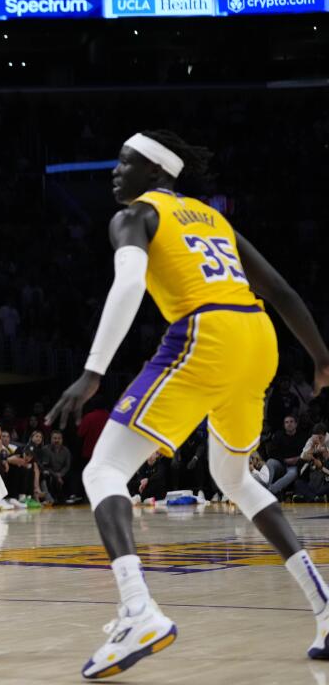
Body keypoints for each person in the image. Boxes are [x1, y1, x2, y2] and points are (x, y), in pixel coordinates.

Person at [46, 130, 329, 679]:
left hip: (206, 334)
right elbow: (281, 291)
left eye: (125, 162)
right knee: (235, 478)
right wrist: (320, 356)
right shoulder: (212, 218)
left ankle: (138, 611)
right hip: (257, 339)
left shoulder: (135, 216)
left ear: (155, 174)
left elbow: (127, 285)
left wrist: (92, 372)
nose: (115, 171)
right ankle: (324, 607)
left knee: (103, 469)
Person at [265, 415, 308, 497]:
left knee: (293, 473)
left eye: (291, 422)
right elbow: (272, 452)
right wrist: (284, 460)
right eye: (286, 422)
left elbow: (307, 451)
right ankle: (265, 487)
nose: (289, 424)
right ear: (284, 425)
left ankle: (270, 491)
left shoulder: (303, 436)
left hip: (294, 465)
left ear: (296, 424)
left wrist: (298, 458)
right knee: (270, 462)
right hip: (281, 464)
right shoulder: (279, 435)